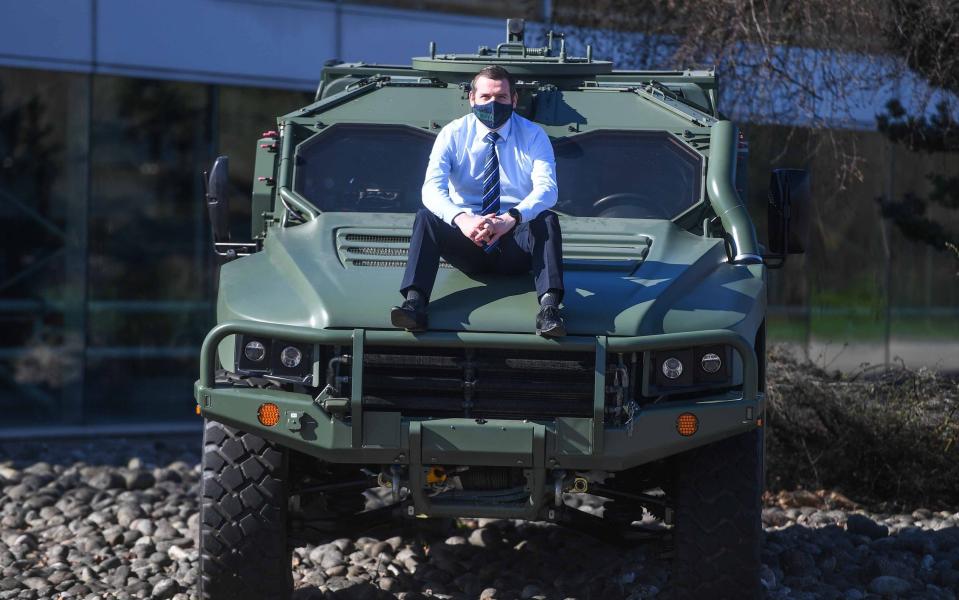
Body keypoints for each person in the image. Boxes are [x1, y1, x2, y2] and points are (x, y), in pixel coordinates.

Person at [390, 65, 566, 337]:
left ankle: (549, 309)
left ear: (514, 100)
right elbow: (431, 190)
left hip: (515, 240)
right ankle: (414, 305)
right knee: (426, 217)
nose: (493, 103)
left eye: (501, 97)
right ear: (472, 98)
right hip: (468, 237)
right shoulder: (453, 134)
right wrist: (462, 220)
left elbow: (547, 189)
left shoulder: (533, 136)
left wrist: (511, 219)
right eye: (485, 97)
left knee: (547, 219)